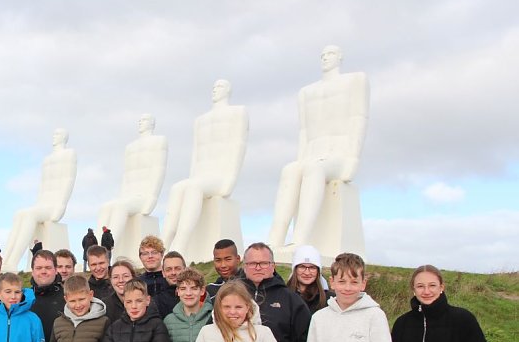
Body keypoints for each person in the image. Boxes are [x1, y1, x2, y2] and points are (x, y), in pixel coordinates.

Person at [268, 45, 370, 250]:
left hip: (339, 155)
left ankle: (300, 239)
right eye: (322, 55)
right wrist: (301, 160)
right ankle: (275, 240)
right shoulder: (307, 92)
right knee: (290, 169)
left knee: (313, 169)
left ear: (340, 57)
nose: (325, 58)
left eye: (330, 54)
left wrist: (352, 159)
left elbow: (359, 118)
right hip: (314, 155)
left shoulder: (355, 80)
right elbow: (304, 132)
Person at [161, 79, 248, 253]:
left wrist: (230, 179)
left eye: (220, 86)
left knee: (193, 187)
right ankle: (163, 243)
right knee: (178, 188)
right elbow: (196, 154)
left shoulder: (238, 112)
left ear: (228, 90)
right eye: (214, 87)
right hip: (201, 175)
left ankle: (180, 244)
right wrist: (193, 175)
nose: (215, 90)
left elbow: (239, 144)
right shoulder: (201, 120)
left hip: (219, 175)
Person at [3, 128, 77, 271]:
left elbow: (69, 179)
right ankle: (5, 260)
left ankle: (13, 262)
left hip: (54, 204)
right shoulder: (47, 159)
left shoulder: (69, 154)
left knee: (29, 215)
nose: (54, 137)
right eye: (54, 134)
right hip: (43, 203)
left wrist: (61, 204)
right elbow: (43, 185)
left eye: (58, 134)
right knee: (20, 214)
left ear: (64, 137)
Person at [97, 114, 168, 251]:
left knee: (120, 207)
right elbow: (126, 177)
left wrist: (152, 198)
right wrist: (121, 196)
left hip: (142, 197)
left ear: (152, 123)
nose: (141, 123)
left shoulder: (159, 141)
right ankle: (96, 250)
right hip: (128, 196)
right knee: (106, 207)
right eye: (139, 120)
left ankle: (107, 250)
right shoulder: (130, 147)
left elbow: (159, 170)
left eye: (145, 120)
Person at [154, 251, 185, 318]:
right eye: (168, 269)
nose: (173, 273)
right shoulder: (156, 302)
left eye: (177, 269)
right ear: (163, 273)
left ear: (185, 269)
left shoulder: (196, 295)